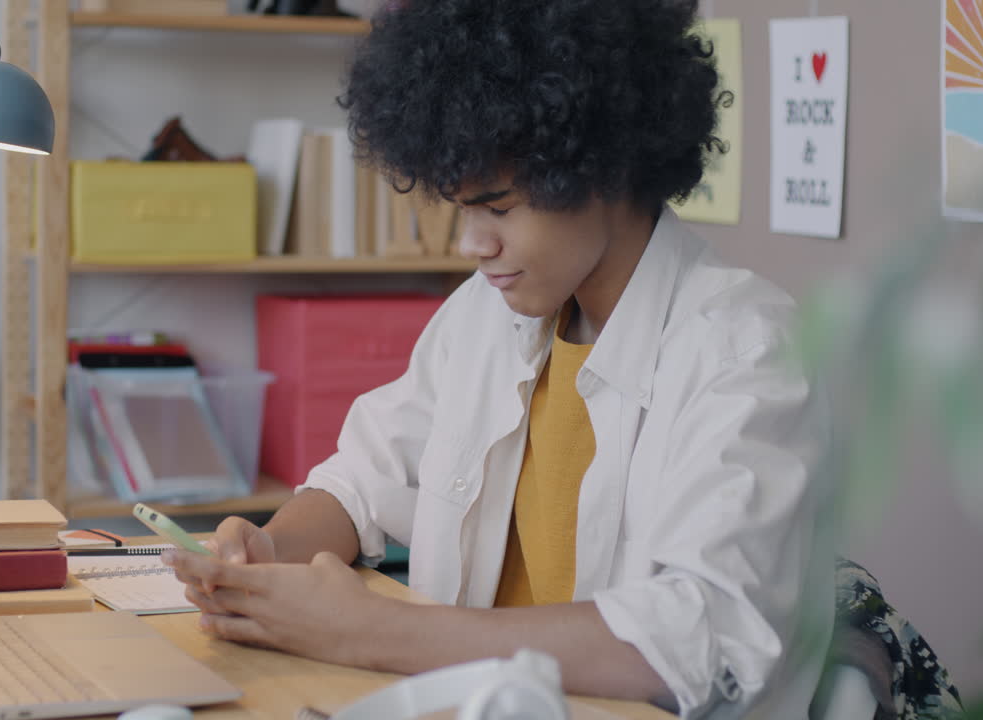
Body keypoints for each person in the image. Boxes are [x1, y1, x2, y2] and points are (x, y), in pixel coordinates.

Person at [163, 0, 832, 717]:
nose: (471, 244)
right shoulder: (484, 313)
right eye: (461, 208)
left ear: (604, 167)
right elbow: (365, 476)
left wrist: (372, 630)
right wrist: (268, 553)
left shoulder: (746, 350)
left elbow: (696, 636)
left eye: (499, 207)